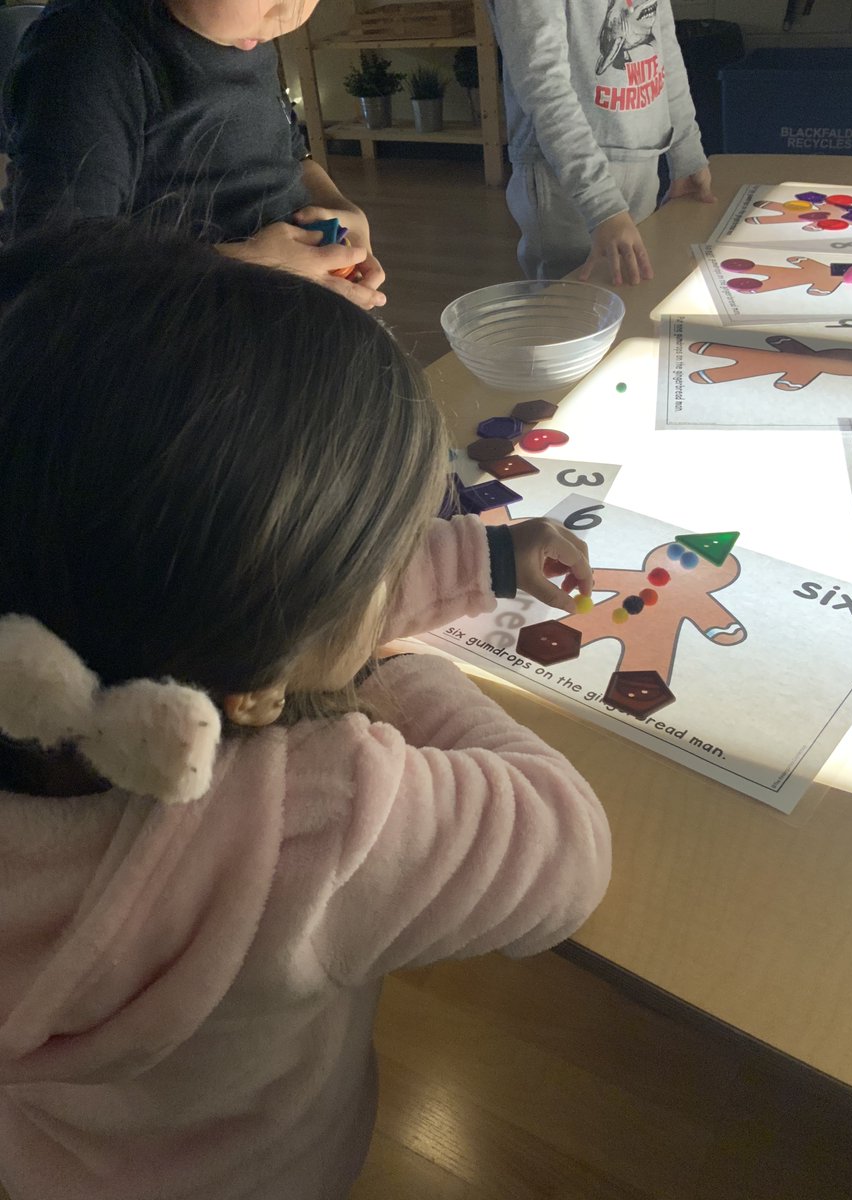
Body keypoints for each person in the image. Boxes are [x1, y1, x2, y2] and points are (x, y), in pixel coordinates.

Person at [0, 221, 612, 1200]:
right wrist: (392, 673)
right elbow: (567, 847)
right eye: (386, 564)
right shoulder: (321, 815)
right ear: (258, 683)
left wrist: (485, 559)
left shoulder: (54, 638)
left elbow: (206, 595)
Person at [0, 0, 386, 310]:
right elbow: (56, 268)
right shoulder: (85, 51)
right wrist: (250, 265)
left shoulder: (243, 29)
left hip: (279, 308)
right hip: (184, 340)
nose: (288, 13)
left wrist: (340, 206)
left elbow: (293, 155)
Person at [485, 0, 716, 286]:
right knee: (574, 300)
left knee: (632, 291)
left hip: (642, 160)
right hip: (565, 178)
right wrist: (602, 205)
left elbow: (665, 46)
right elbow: (543, 82)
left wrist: (686, 152)